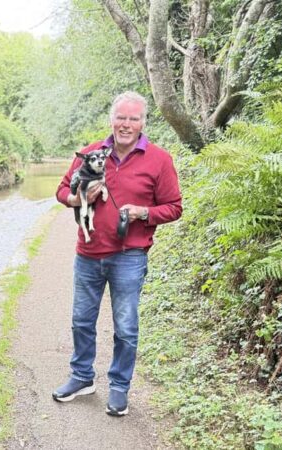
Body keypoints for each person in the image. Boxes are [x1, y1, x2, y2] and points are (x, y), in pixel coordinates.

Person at [52, 91, 182, 416]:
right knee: (82, 320)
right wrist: (78, 200)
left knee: (125, 327)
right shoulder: (92, 152)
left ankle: (119, 388)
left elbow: (174, 207)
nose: (126, 124)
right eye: (121, 117)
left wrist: (143, 213)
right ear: (112, 120)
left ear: (143, 122)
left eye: (133, 118)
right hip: (88, 253)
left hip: (130, 256)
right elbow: (61, 190)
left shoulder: (159, 160)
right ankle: (82, 377)